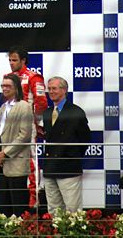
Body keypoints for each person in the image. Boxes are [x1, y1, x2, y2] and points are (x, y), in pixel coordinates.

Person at [43, 76, 91, 214]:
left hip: (68, 167)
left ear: (64, 90)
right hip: (50, 168)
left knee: (72, 209)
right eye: (49, 89)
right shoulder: (47, 113)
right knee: (54, 209)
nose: (51, 91)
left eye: (54, 88)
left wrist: (72, 156)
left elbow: (85, 139)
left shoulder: (76, 112)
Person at [8, 46, 48, 207]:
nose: (11, 63)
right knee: (11, 159)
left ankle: (35, 197)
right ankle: (17, 198)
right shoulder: (9, 77)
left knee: (30, 159)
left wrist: (35, 121)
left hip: (26, 125)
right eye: (10, 60)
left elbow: (41, 103)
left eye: (14, 60)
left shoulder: (33, 77)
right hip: (10, 126)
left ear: (23, 60)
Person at [0, 73, 33, 217]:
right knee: (4, 207)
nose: (4, 88)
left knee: (18, 206)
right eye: (3, 85)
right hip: (2, 164)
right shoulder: (3, 107)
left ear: (16, 88)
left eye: (8, 86)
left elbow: (24, 135)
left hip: (16, 162)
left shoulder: (24, 106)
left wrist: (5, 153)